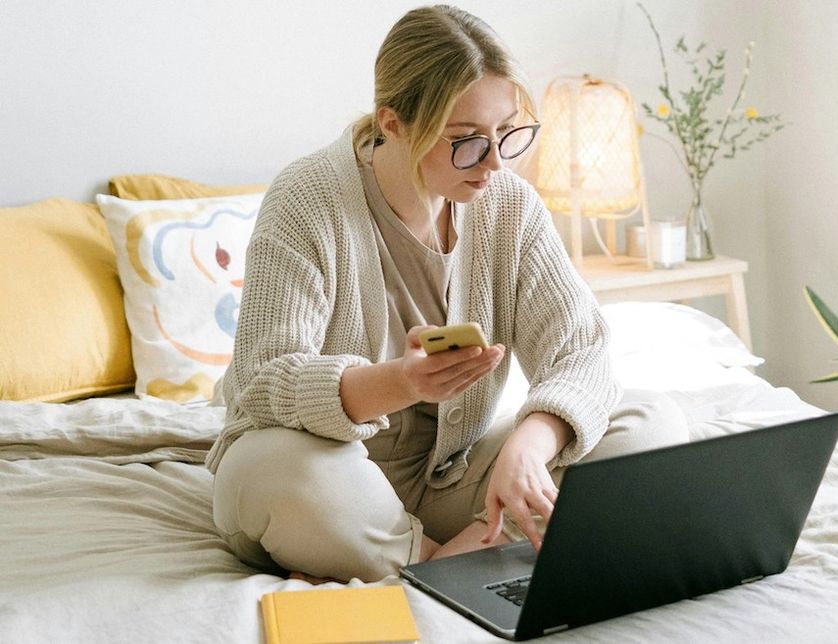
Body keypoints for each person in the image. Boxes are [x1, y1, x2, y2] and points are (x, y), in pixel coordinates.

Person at [206, 4, 686, 584]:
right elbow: (262, 381)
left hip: (452, 483)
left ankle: (442, 563)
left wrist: (531, 444)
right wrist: (400, 383)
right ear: (393, 123)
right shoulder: (306, 200)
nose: (493, 164)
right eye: (464, 141)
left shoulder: (507, 205)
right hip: (333, 479)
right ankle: (474, 556)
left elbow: (580, 351)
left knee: (649, 420)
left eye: (507, 133)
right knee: (272, 471)